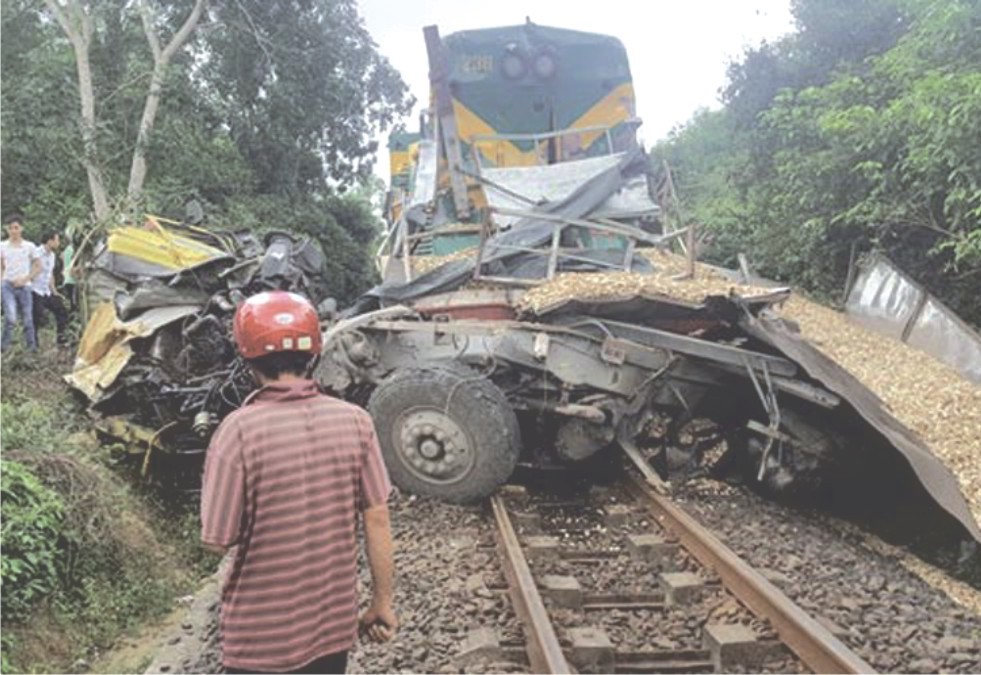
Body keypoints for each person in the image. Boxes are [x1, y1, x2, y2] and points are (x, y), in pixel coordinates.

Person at [200, 290, 397, 675]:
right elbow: (378, 518)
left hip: (260, 641)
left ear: (246, 357)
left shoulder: (237, 431)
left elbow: (217, 539)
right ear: (314, 354)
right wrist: (382, 602)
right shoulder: (356, 421)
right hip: (332, 629)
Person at [1, 214, 41, 352]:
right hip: (7, 285)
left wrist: (26, 279)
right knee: (10, 318)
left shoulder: (29, 246)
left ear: (21, 228)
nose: (13, 231)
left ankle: (31, 348)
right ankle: (3, 347)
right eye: (10, 228)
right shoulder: (2, 246)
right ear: (7, 230)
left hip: (24, 286)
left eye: (16, 228)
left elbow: (38, 266)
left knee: (28, 319)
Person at [30, 229, 69, 348]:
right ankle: (33, 345)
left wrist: (54, 292)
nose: (59, 243)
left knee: (62, 311)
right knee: (36, 318)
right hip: (35, 290)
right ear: (50, 241)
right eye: (57, 240)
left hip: (46, 291)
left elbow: (50, 274)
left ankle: (61, 340)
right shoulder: (35, 253)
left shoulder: (52, 255)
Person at [62, 222, 79, 314]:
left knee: (72, 306)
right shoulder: (74, 250)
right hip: (72, 281)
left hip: (66, 280)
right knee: (75, 306)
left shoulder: (66, 250)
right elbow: (73, 269)